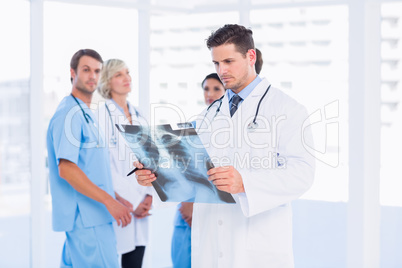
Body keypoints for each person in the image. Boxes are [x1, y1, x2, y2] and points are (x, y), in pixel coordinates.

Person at [135, 24, 315, 267]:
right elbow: (187, 170)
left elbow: (302, 174)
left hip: (257, 248)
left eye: (229, 61)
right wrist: (154, 175)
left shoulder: (287, 109)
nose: (222, 70)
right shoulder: (207, 115)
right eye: (216, 63)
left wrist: (245, 182)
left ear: (251, 56)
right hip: (210, 245)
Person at [46, 49, 133, 267]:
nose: (92, 75)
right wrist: (109, 202)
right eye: (86, 70)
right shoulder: (69, 113)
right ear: (72, 73)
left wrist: (115, 196)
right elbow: (66, 168)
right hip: (88, 219)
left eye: (96, 71)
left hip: (90, 218)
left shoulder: (85, 113)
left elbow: (90, 169)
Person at [96, 59, 153, 268]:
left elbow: (151, 159)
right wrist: (130, 200)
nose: (126, 78)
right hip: (121, 203)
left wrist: (148, 196)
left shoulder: (140, 116)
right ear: (108, 82)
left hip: (143, 203)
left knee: (136, 259)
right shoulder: (101, 116)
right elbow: (104, 166)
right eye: (119, 75)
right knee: (119, 256)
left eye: (127, 73)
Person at [171, 73, 226, 268]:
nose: (209, 93)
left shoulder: (229, 128)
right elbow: (183, 169)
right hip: (186, 208)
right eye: (206, 89)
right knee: (182, 259)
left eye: (216, 89)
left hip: (213, 208)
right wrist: (187, 203)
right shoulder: (194, 126)